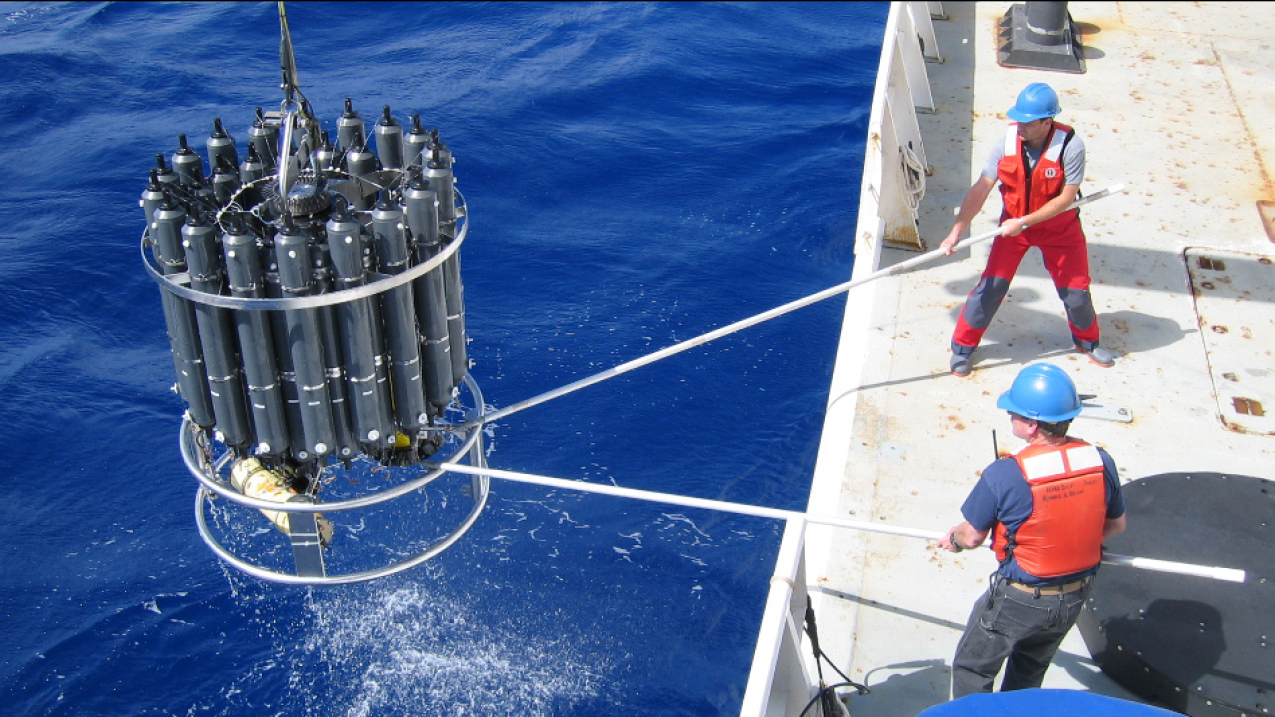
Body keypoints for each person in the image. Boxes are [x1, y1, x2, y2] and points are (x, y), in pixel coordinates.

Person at [936, 362, 1127, 697]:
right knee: (1029, 673)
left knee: (973, 668)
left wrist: (953, 538)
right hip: (1075, 594)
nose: (1010, 416)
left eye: (1014, 412)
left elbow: (972, 536)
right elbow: (1116, 525)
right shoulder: (1100, 460)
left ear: (1031, 424)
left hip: (1020, 598)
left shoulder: (1005, 474)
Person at [939, 82, 1115, 377]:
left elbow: (1067, 198)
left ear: (1047, 122)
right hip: (1013, 228)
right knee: (991, 287)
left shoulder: (1071, 147)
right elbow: (981, 188)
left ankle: (1087, 341)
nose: (1019, 125)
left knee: (1076, 291)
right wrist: (958, 230)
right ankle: (962, 349)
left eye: (1027, 121)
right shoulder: (1006, 144)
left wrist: (1024, 221)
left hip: (1059, 230)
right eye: (1018, 119)